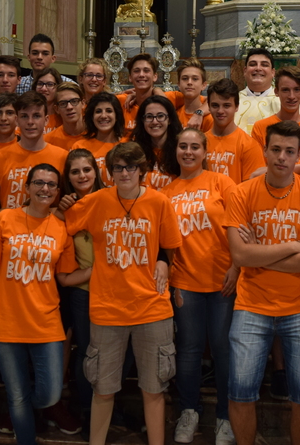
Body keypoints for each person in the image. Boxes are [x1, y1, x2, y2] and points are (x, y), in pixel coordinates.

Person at [63, 142, 183, 445]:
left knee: (154, 389)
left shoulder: (159, 202)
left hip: (152, 307)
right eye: (118, 167)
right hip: (107, 308)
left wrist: (163, 261)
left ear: (142, 170)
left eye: (131, 167)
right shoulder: (97, 201)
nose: (125, 173)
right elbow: (62, 223)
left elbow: (170, 246)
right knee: (102, 389)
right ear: (110, 172)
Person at [224, 120, 300, 445]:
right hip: (251, 304)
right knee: (240, 392)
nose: (281, 157)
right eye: (275, 149)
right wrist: (293, 246)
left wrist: (258, 253)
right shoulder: (242, 193)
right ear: (265, 151)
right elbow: (240, 256)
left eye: (289, 151)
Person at [0, 163, 79, 445]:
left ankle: (28, 412)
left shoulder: (62, 228)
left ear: (58, 191)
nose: (45, 189)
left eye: (51, 184)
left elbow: (65, 276)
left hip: (46, 322)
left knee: (50, 393)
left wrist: (102, 269)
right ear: (27, 187)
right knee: (17, 395)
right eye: (39, 183)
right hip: (5, 320)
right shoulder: (5, 218)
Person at [161, 129, 238, 445]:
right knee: (189, 350)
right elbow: (165, 242)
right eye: (183, 146)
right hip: (185, 282)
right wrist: (171, 278)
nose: (188, 152)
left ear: (205, 152)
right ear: (176, 150)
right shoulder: (167, 192)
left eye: (195, 146)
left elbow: (240, 225)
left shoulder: (222, 183)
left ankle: (225, 416)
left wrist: (237, 266)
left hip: (223, 280)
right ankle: (189, 411)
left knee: (223, 349)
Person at [56, 149, 104, 422]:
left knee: (119, 351)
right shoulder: (65, 209)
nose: (82, 176)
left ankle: (109, 406)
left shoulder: (112, 199)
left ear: (96, 172)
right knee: (87, 349)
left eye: (87, 169)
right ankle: (87, 408)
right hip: (82, 291)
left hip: (116, 289)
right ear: (68, 177)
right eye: (75, 172)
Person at [0, 92, 69, 221]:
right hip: (9, 229)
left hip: (47, 230)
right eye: (24, 116)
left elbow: (67, 205)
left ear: (46, 120)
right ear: (17, 120)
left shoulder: (63, 157)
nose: (30, 122)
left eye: (36, 116)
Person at [205, 78, 265, 183]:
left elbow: (251, 187)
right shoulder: (200, 142)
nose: (220, 111)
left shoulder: (249, 145)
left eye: (226, 106)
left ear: (236, 107)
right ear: (209, 107)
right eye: (215, 105)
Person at [251, 65, 300, 161]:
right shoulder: (261, 127)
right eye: (285, 90)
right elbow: (257, 167)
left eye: (297, 90)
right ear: (276, 91)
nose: (291, 96)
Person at [71, 92, 126, 187]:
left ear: (117, 116)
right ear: (92, 117)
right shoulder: (79, 146)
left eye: (109, 111)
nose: (103, 116)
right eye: (98, 111)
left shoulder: (128, 144)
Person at [131, 94, 183, 190]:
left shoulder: (181, 150)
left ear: (170, 119)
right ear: (142, 120)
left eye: (160, 116)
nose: (155, 121)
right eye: (149, 116)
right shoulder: (134, 151)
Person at [235, 48, 280, 134]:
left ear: (273, 72)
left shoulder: (282, 101)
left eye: (264, 65)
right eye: (253, 64)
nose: (258, 68)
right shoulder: (233, 100)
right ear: (245, 71)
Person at [117, 53, 161, 133]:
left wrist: (156, 90)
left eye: (146, 70)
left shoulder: (166, 97)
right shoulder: (121, 101)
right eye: (136, 71)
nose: (141, 75)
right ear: (130, 77)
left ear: (155, 76)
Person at [46, 82, 87, 149]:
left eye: (74, 101)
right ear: (56, 109)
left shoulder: (97, 135)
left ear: (83, 103)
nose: (69, 107)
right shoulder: (48, 141)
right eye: (63, 103)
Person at [31, 67, 63, 136]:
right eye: (40, 84)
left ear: (58, 87)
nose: (44, 88)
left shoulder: (64, 115)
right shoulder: (28, 114)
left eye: (50, 84)